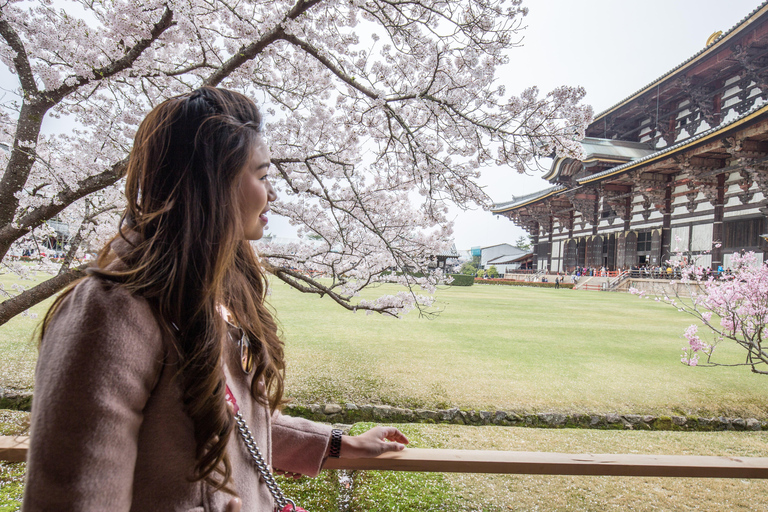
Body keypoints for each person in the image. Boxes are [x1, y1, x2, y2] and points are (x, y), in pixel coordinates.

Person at [22, 87, 408, 512]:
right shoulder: (112, 312)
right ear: (212, 184)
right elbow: (74, 495)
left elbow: (231, 424)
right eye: (261, 176)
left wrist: (337, 442)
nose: (272, 194)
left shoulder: (212, 293)